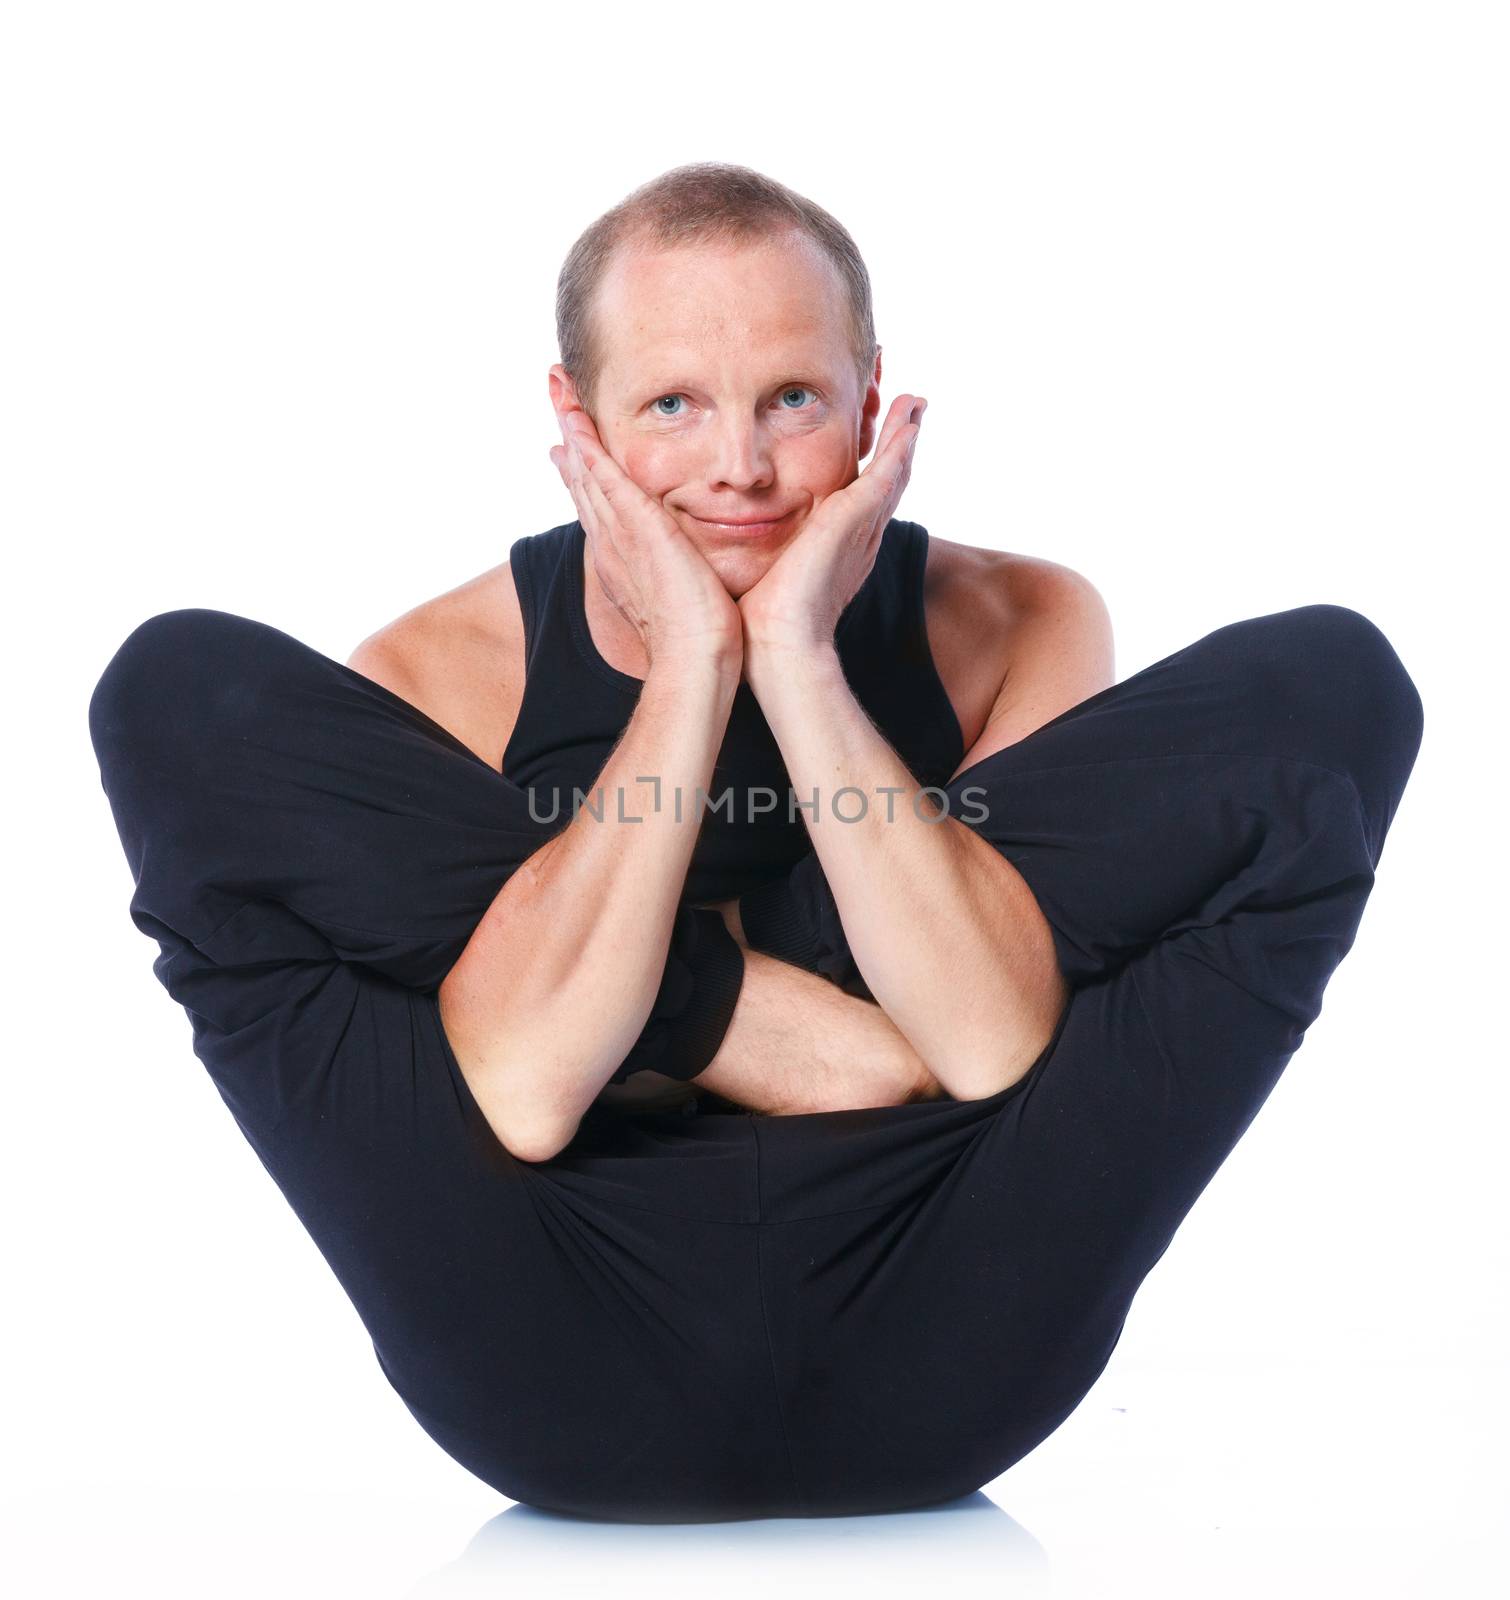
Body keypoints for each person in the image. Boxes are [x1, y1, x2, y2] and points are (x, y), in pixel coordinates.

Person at [87, 162, 1424, 1523]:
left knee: (1328, 686)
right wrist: (687, 678)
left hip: (959, 1323)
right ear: (577, 417)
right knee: (179, 690)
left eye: (790, 398)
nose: (738, 466)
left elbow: (977, 1034)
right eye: (670, 404)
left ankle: (670, 967)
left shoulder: (1015, 618)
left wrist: (790, 658)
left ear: (869, 395)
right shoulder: (442, 670)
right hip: (549, 1349)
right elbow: (527, 1081)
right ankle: (730, 995)